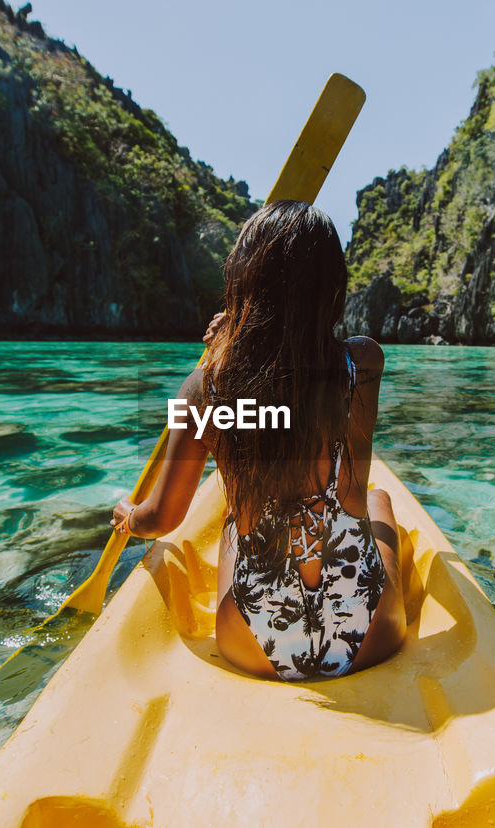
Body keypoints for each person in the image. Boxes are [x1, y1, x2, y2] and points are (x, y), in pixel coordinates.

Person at [109, 200, 406, 681]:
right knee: (378, 499)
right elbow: (307, 365)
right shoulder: (364, 363)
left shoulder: (203, 388)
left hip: (251, 642)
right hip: (372, 634)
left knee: (235, 520)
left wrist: (128, 515)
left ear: (241, 287)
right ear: (333, 290)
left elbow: (161, 518)